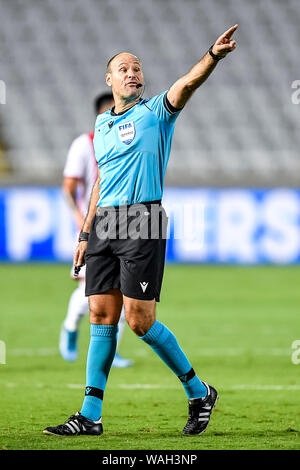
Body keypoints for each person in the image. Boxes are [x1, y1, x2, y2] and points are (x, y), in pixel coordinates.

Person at [44, 24, 238, 437]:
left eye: (137, 68)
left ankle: (198, 391)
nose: (132, 73)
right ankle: (90, 415)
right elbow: (101, 181)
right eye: (123, 68)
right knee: (100, 314)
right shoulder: (101, 125)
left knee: (140, 322)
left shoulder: (156, 112)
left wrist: (213, 56)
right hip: (104, 224)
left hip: (141, 220)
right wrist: (84, 233)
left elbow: (187, 83)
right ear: (109, 80)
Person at [59, 92, 133, 368]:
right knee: (91, 289)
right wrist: (81, 220)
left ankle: (111, 352)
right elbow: (69, 187)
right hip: (92, 226)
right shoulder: (85, 144)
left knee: (125, 290)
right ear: (104, 114)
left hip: (124, 225)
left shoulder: (129, 143)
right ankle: (70, 327)